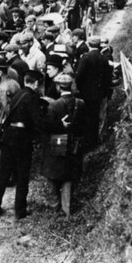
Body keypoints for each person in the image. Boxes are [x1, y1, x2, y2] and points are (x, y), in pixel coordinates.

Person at [0, 70, 47, 220]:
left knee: (2, 175)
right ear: (36, 83)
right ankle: (20, 211)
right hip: (22, 140)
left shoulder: (17, 95)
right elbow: (38, 122)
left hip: (8, 138)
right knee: (22, 175)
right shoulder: (32, 97)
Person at [41, 73, 86, 217]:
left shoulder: (53, 105)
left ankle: (55, 205)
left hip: (58, 142)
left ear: (58, 87)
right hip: (75, 143)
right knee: (69, 175)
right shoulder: (80, 103)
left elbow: (49, 127)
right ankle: (67, 208)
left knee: (53, 173)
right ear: (71, 86)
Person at [74, 35, 114, 149]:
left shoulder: (85, 58)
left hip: (86, 93)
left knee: (86, 116)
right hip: (99, 93)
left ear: (88, 44)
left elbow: (79, 76)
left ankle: (87, 141)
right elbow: (108, 77)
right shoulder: (104, 58)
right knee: (95, 116)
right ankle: (94, 141)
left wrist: (80, 88)